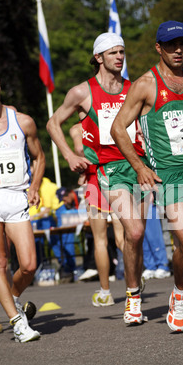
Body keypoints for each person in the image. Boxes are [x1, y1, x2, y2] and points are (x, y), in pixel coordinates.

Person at [111, 20, 183, 332]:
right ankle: (178, 294)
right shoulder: (145, 85)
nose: (179, 50)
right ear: (159, 48)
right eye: (172, 45)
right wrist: (139, 167)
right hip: (171, 176)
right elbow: (118, 128)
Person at [46, 33, 150, 323]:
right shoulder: (83, 92)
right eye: (113, 52)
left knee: (134, 235)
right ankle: (125, 295)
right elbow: (53, 123)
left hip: (137, 167)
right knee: (131, 232)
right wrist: (68, 155)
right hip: (107, 170)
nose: (119, 56)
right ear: (98, 58)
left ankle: (134, 285)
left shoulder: (135, 88)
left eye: (122, 51)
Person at [0, 68, 45, 342]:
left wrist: (34, 187)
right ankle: (18, 323)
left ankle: (3, 301)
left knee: (29, 265)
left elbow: (39, 157)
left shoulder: (23, 121)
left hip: (17, 198)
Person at [69, 123, 124, 305]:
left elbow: (79, 150)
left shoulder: (77, 129)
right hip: (116, 175)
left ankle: (105, 292)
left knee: (100, 240)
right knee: (122, 238)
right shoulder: (108, 117)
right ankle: (135, 279)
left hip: (95, 179)